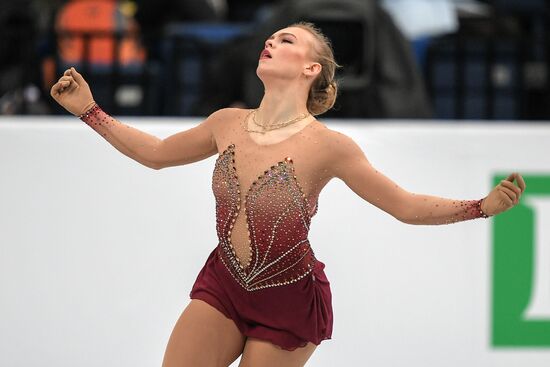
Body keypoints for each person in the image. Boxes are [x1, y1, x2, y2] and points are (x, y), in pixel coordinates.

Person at [50, 22, 525, 367]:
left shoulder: (329, 147)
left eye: (286, 40)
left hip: (288, 300)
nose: (270, 42)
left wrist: (481, 208)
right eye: (270, 37)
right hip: (225, 282)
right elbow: (155, 153)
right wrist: (89, 110)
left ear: (311, 68)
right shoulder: (227, 123)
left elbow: (403, 205)